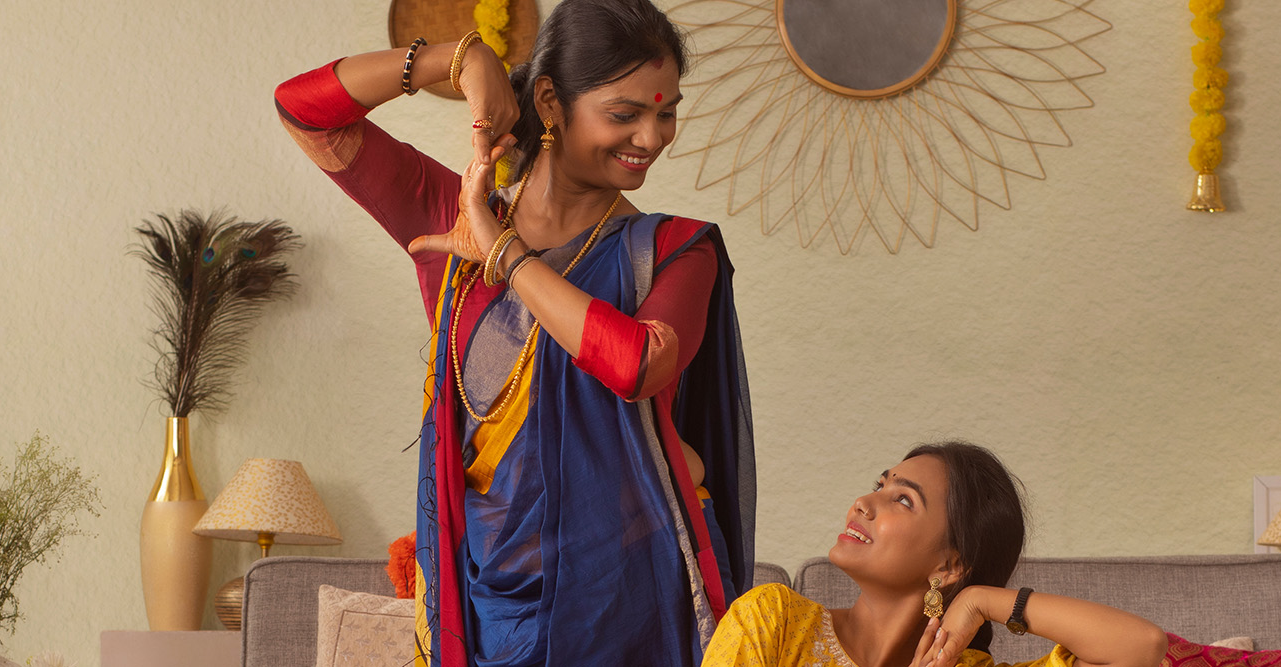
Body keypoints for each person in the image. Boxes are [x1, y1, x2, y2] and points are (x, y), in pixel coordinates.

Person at [271, 1, 753, 665]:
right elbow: (304, 110)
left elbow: (639, 362)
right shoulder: (451, 215)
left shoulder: (673, 250)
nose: (652, 136)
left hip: (638, 606)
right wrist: (460, 57)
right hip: (491, 606)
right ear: (551, 102)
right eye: (625, 113)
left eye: (665, 112)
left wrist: (506, 254)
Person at [704, 443, 1168, 667]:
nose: (862, 504)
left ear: (948, 565)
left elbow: (1140, 648)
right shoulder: (775, 619)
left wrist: (982, 601)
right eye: (879, 485)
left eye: (902, 499)